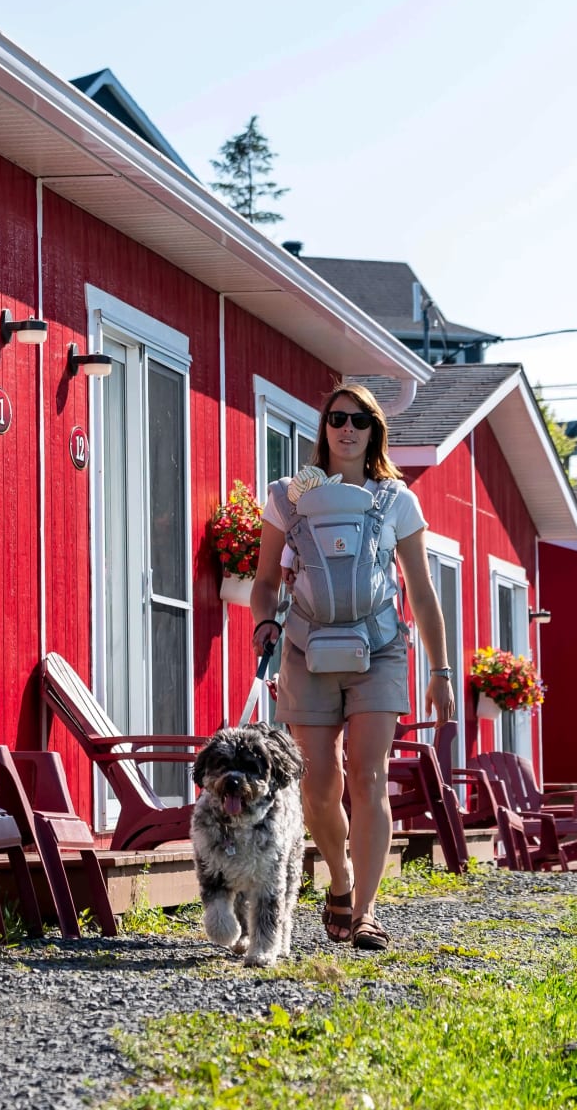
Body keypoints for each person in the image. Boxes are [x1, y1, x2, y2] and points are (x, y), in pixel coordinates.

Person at [250, 383, 454, 951]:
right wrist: (263, 623)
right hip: (305, 649)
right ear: (325, 427)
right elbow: (265, 583)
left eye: (359, 420)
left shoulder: (396, 500)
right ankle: (338, 880)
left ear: (373, 431)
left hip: (381, 648)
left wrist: (441, 673)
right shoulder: (289, 497)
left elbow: (422, 591)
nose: (347, 428)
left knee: (368, 776)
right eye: (337, 417)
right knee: (318, 784)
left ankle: (363, 910)